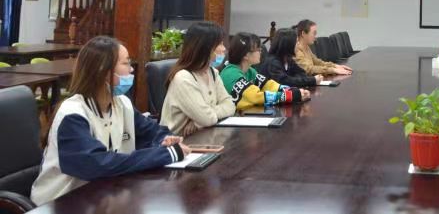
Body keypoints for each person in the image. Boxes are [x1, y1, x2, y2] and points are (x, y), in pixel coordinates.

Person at [31, 36, 190, 206]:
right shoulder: (73, 114)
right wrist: (166, 154)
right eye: (125, 63)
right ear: (103, 71)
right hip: (61, 202)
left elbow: (152, 132)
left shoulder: (122, 103)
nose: (131, 69)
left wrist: (164, 140)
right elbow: (97, 164)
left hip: (103, 195)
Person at [160, 21, 235, 136]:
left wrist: (198, 122)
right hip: (177, 141)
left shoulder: (212, 72)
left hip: (201, 136)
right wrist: (204, 119)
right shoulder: (183, 78)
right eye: (220, 44)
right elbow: (207, 119)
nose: (224, 49)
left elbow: (230, 105)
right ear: (205, 47)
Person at [220, 32, 310, 110]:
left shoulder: (249, 70)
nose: (261, 52)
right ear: (246, 55)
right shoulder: (231, 74)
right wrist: (290, 95)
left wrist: (293, 90)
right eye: (258, 50)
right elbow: (256, 97)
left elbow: (269, 85)